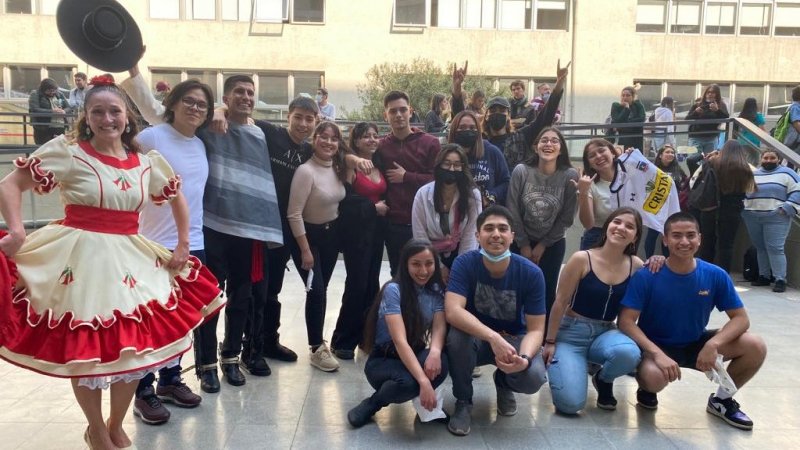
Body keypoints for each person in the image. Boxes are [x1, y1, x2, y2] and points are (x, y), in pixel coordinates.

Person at [0, 76, 224, 449]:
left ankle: (115, 422)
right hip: (79, 260)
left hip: (130, 257)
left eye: (114, 111)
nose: (107, 119)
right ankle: (96, 428)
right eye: (98, 112)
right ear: (86, 117)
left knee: (134, 346)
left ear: (127, 117)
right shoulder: (69, 152)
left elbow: (177, 198)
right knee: (85, 348)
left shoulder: (145, 162)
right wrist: (18, 232)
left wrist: (184, 243)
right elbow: (10, 184)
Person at [122, 68, 284, 388]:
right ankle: (205, 365)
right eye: (239, 92)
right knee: (207, 299)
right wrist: (134, 71)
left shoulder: (259, 132)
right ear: (226, 98)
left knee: (241, 296)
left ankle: (230, 358)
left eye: (250, 93)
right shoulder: (206, 129)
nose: (246, 98)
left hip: (247, 227)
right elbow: (158, 115)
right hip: (210, 226)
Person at [619, 212, 767, 430]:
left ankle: (722, 400)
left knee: (755, 345)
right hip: (655, 346)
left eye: (690, 235)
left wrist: (713, 344)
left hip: (696, 343)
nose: (684, 242)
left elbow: (741, 319)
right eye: (677, 236)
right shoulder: (648, 274)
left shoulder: (715, 275)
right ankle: (647, 389)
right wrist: (657, 354)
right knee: (654, 378)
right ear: (665, 240)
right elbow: (626, 321)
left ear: (700, 239)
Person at [130, 78, 217, 425]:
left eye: (202, 104)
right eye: (189, 101)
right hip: (153, 244)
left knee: (182, 319)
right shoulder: (153, 137)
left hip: (193, 243)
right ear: (173, 103)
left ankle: (170, 379)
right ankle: (144, 390)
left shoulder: (200, 144)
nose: (195, 108)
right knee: (151, 321)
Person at [444, 205, 548, 436]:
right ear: (477, 235)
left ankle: (504, 382)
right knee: (457, 338)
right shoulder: (464, 263)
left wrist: (524, 359)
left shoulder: (531, 273)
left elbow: (536, 329)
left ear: (512, 236)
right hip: (477, 340)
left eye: (503, 229)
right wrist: (492, 337)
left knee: (533, 377)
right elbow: (453, 311)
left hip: (513, 340)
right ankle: (463, 401)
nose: (496, 234)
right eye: (489, 228)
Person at [544, 207, 646, 414]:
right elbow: (560, 302)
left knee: (629, 353)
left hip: (606, 332)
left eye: (629, 226)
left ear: (635, 237)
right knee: (570, 405)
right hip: (572, 334)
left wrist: (658, 259)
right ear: (607, 226)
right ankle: (570, 367)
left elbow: (655, 277)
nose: (621, 228)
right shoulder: (582, 259)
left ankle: (603, 379)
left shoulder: (635, 265)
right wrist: (549, 342)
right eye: (617, 222)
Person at [347, 240, 449, 428]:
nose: (423, 271)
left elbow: (438, 328)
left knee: (440, 363)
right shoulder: (393, 290)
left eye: (429, 264)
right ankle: (373, 403)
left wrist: (435, 352)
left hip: (414, 352)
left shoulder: (437, 291)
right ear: (405, 265)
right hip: (383, 359)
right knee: (408, 383)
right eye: (416, 264)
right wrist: (424, 382)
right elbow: (400, 341)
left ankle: (426, 406)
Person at [287, 121, 348, 372]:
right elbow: (294, 214)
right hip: (307, 238)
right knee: (316, 291)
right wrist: (304, 249)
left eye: (334, 139)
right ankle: (315, 348)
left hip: (330, 237)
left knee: (322, 290)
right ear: (314, 139)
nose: (328, 142)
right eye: (323, 137)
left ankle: (320, 342)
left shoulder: (337, 167)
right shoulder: (305, 171)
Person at [506, 127, 578, 319]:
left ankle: (543, 333)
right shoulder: (522, 171)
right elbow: (512, 208)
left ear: (561, 149)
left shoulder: (570, 175)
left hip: (553, 243)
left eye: (554, 141)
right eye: (544, 140)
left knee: (546, 293)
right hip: (519, 239)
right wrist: (523, 244)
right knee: (516, 290)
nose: (548, 144)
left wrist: (543, 244)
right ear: (535, 147)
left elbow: (567, 217)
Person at [331, 122, 388, 360]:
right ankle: (342, 340)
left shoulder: (379, 164)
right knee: (357, 284)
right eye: (366, 136)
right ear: (356, 141)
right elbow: (345, 203)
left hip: (376, 232)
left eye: (375, 135)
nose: (372, 140)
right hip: (356, 234)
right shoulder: (350, 166)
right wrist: (373, 208)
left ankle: (367, 337)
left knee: (371, 284)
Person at [451, 61, 570, 171]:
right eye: (493, 110)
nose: (497, 113)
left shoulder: (521, 137)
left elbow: (544, 118)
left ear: (508, 115)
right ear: (486, 115)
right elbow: (460, 119)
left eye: (502, 110)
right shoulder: (479, 141)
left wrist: (559, 84)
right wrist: (457, 89)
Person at [376, 90, 441, 277]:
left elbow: (439, 180)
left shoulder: (430, 143)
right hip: (394, 224)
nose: (398, 115)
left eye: (403, 110)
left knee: (426, 275)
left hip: (425, 223)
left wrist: (407, 177)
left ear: (410, 111)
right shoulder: (381, 146)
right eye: (393, 111)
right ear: (385, 115)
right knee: (397, 274)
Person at [577, 138, 681, 250]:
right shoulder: (588, 184)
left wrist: (634, 158)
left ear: (612, 153)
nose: (598, 156)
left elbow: (656, 179)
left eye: (601, 151)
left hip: (627, 238)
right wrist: (583, 192)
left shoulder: (630, 172)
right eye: (592, 156)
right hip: (597, 240)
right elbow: (588, 224)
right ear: (589, 164)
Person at [411, 144, 482, 283]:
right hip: (429, 256)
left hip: (462, 254)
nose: (451, 169)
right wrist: (439, 266)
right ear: (439, 165)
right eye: (447, 163)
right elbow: (420, 235)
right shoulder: (422, 194)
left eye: (457, 165)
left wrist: (460, 269)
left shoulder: (473, 195)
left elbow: (471, 236)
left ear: (463, 167)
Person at [741, 149, 800, 293]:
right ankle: (764, 276)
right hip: (752, 216)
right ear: (761, 159)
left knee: (775, 248)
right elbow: (745, 193)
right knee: (760, 247)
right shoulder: (753, 174)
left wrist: (786, 208)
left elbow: (798, 191)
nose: (768, 160)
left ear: (778, 159)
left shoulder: (788, 173)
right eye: (765, 157)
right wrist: (745, 209)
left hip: (777, 217)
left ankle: (780, 279)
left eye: (772, 158)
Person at [698, 140, 755, 272]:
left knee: (707, 243)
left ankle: (706, 274)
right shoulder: (745, 167)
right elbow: (749, 189)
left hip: (710, 207)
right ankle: (723, 275)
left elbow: (701, 175)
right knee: (727, 245)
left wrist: (711, 156)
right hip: (733, 210)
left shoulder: (713, 163)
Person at [447, 110, 510, 206]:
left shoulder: (491, 151)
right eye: (462, 127)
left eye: (472, 128)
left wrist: (491, 196)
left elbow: (506, 182)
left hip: (487, 210)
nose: (467, 131)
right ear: (454, 130)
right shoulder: (446, 156)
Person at [645, 144, 689, 257]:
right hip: (656, 206)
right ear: (660, 155)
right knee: (652, 235)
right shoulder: (652, 169)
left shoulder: (678, 169)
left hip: (672, 207)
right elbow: (647, 186)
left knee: (668, 234)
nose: (670, 154)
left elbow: (684, 184)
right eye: (667, 152)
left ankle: (667, 260)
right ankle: (648, 260)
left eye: (672, 153)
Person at [685, 84, 730, 175]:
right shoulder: (698, 104)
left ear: (717, 94)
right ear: (705, 93)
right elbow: (687, 119)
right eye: (708, 92)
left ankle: (706, 177)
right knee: (691, 159)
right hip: (695, 137)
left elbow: (726, 118)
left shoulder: (721, 105)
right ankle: (694, 176)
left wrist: (717, 110)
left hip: (711, 137)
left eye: (713, 93)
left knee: (710, 161)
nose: (710, 94)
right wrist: (696, 112)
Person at [28, 77, 69, 145]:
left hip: (59, 126)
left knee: (59, 147)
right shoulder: (35, 94)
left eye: (54, 90)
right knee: (43, 147)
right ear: (43, 89)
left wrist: (64, 111)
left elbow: (68, 107)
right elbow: (35, 109)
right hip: (43, 127)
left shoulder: (59, 94)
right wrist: (52, 111)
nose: (52, 93)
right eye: (50, 91)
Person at [607, 86, 646, 151]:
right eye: (623, 95)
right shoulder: (616, 106)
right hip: (622, 139)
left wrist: (623, 125)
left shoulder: (638, 105)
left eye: (628, 95)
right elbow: (616, 121)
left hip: (636, 139)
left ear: (633, 97)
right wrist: (626, 108)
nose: (625, 97)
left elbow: (641, 119)